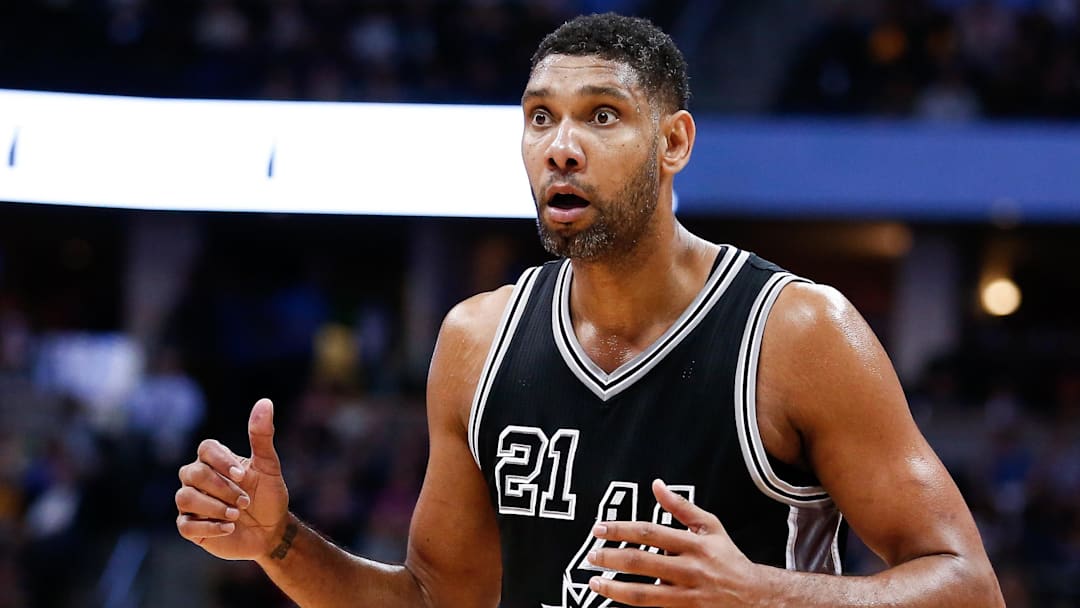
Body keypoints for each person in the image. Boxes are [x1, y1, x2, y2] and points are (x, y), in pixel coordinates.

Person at [176, 13, 1005, 607]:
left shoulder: (797, 334)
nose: (560, 146)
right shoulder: (477, 340)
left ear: (674, 142)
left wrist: (758, 595)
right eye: (541, 118)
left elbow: (968, 587)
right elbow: (435, 599)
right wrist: (280, 544)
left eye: (601, 116)